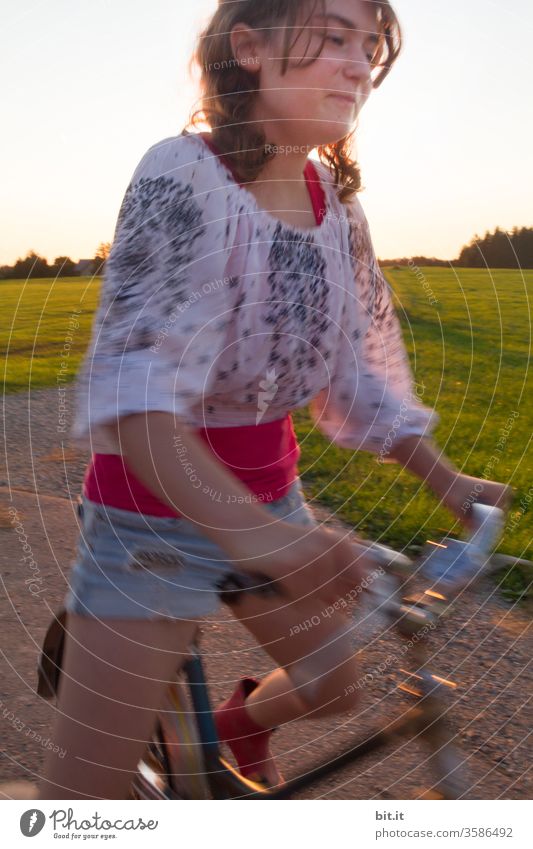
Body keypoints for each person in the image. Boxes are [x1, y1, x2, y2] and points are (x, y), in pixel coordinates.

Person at [28, 0, 510, 799]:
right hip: (149, 520)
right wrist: (270, 544)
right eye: (331, 38)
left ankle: (240, 724)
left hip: (271, 498)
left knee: (335, 686)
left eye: (368, 46)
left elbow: (358, 376)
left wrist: (447, 482)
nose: (358, 65)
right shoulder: (181, 173)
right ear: (246, 47)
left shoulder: (337, 207)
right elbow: (136, 397)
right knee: (82, 797)